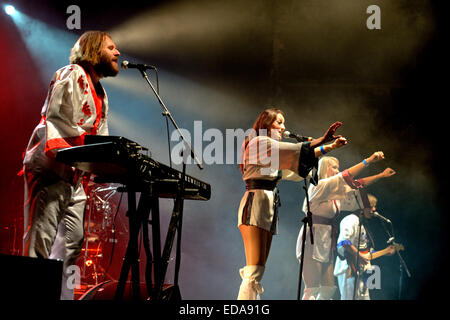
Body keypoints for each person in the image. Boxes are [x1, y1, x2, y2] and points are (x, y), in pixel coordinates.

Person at [21, 31, 120, 299]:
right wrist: (91, 154)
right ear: (94, 49)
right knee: (40, 238)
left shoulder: (100, 90)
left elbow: (100, 136)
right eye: (111, 48)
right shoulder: (72, 73)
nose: (117, 53)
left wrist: (109, 161)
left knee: (71, 244)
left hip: (75, 175)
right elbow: (57, 116)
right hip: (53, 166)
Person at [236, 107, 348, 300]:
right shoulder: (259, 142)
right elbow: (297, 151)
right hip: (256, 203)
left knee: (258, 270)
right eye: (279, 122)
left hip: (267, 205)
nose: (283, 127)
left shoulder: (270, 152)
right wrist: (323, 141)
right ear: (265, 124)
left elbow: (295, 170)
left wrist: (329, 148)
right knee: (254, 269)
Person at [295, 153, 396, 300]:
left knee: (328, 289)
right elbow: (346, 176)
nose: (337, 171)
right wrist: (368, 161)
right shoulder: (318, 186)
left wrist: (380, 175)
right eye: (333, 167)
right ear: (324, 169)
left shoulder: (336, 193)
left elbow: (357, 183)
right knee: (312, 289)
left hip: (326, 240)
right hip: (312, 238)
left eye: (338, 168)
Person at [334, 194, 397, 300]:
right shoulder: (351, 220)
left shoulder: (363, 223)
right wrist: (359, 255)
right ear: (361, 207)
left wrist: (385, 252)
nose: (374, 209)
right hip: (349, 268)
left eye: (374, 206)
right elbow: (343, 242)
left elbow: (365, 250)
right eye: (371, 206)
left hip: (363, 270)